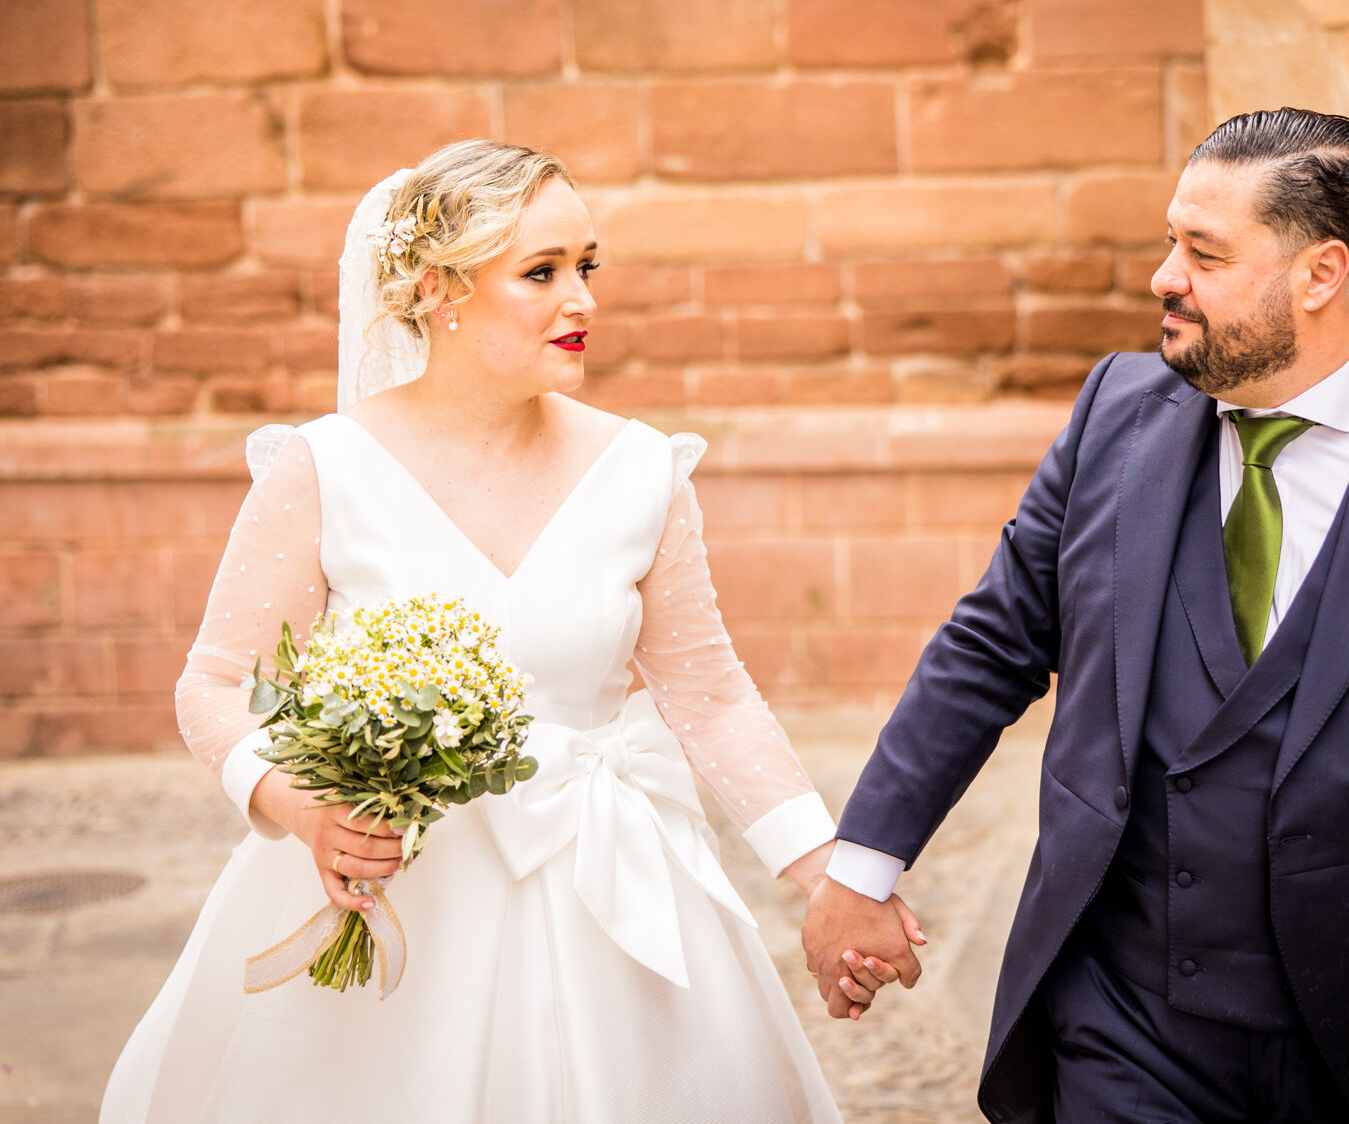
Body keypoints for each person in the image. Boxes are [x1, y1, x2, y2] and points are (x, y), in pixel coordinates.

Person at [802, 109, 1349, 1123]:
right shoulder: (1112, 416)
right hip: (1125, 1025)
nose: (1161, 276)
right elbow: (990, 643)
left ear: (1318, 275)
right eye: (1169, 240)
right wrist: (860, 865)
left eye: (1202, 253)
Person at [101, 141, 908, 1122]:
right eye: (541, 272)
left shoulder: (641, 469)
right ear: (441, 289)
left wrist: (829, 874)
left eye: (586, 266)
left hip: (610, 897)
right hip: (401, 903)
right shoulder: (324, 469)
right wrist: (301, 804)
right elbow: (213, 684)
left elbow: (711, 695)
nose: (582, 301)